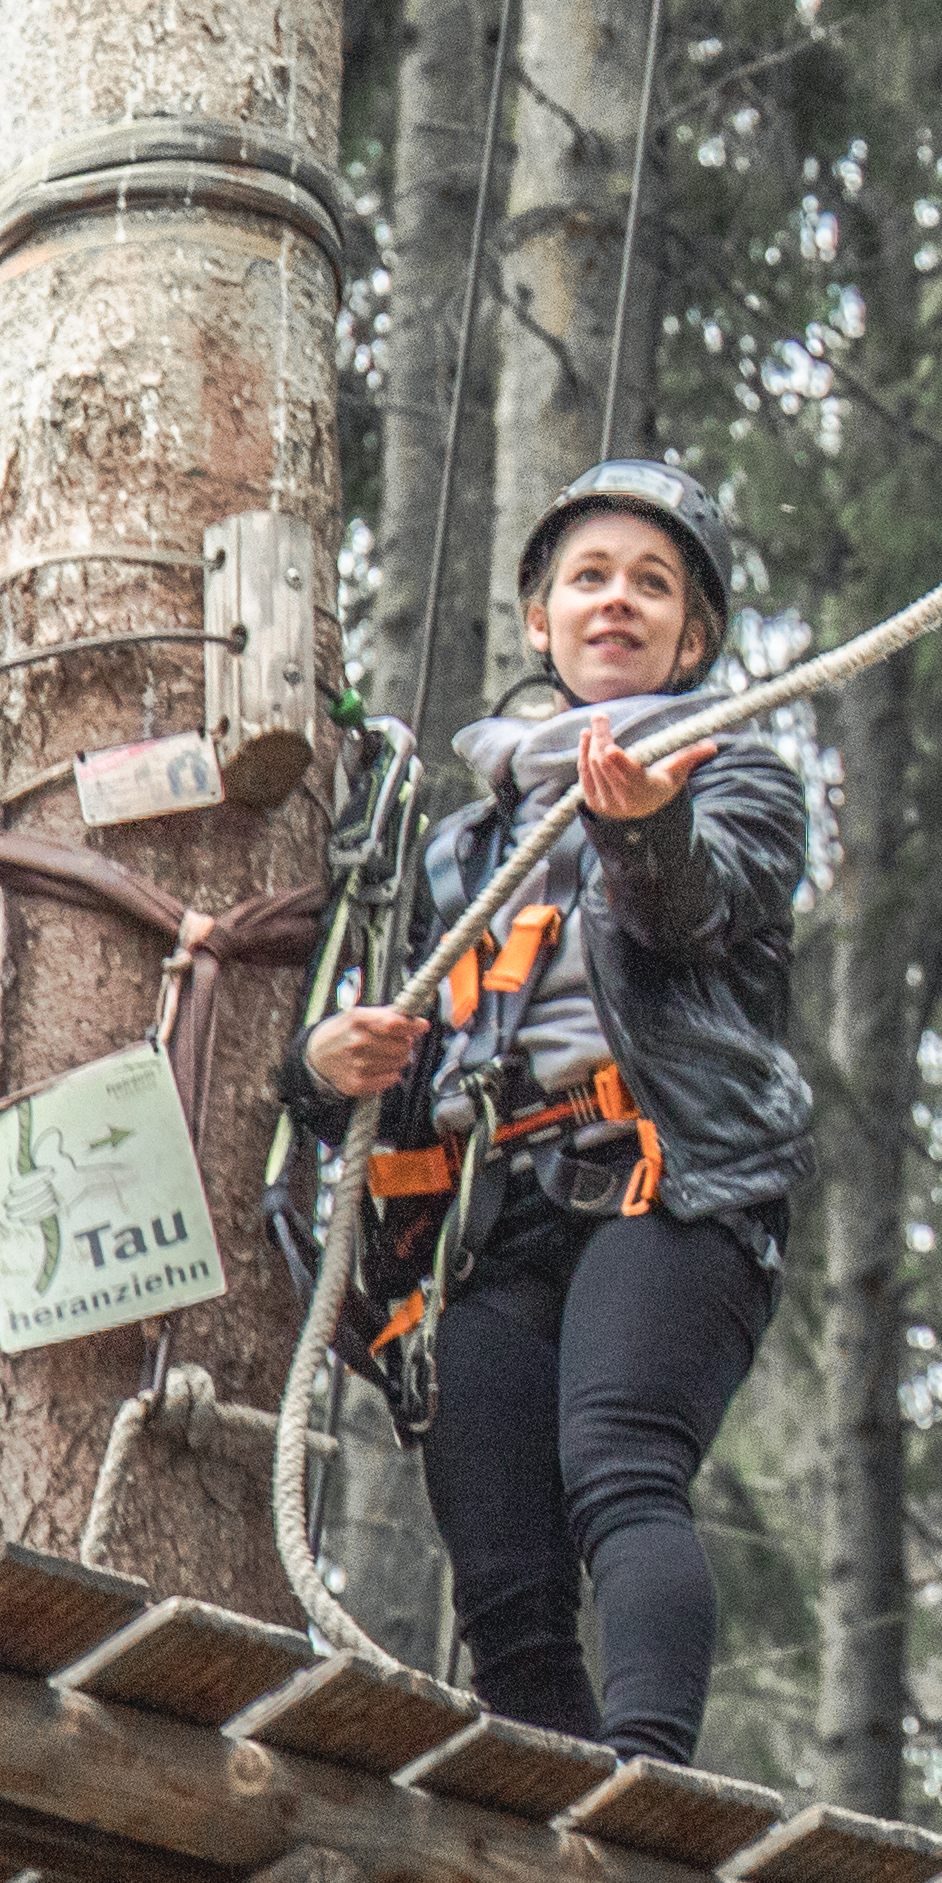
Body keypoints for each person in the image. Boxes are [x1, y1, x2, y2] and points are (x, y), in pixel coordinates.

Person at [284, 459, 808, 1762]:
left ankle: (647, 1781)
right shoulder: (468, 844)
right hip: (495, 1213)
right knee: (500, 1560)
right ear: (540, 619)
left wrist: (641, 830)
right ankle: (554, 1816)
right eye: (589, 579)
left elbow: (694, 916)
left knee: (621, 1468)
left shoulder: (737, 782)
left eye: (652, 585)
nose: (616, 604)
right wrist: (321, 1070)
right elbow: (425, 1052)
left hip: (668, 1184)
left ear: (692, 638)